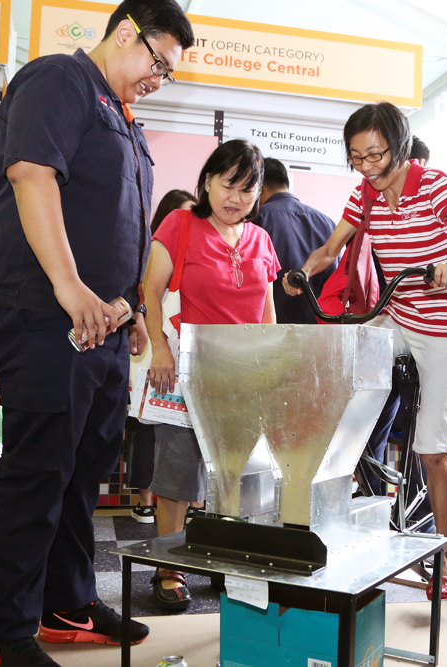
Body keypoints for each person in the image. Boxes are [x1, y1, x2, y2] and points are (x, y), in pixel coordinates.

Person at [0, 1, 193, 665]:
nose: (158, 79)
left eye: (168, 74)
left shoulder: (124, 120)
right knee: (38, 471)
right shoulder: (57, 80)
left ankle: (65, 602)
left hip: (102, 326)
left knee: (81, 472)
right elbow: (31, 173)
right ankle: (2, 635)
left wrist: (131, 310)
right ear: (126, 32)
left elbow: (119, 226)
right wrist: (69, 287)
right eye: (159, 63)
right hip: (41, 312)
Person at [285, 102, 447, 601]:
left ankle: (444, 551)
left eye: (375, 154)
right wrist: (304, 271)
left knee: (432, 450)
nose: (366, 166)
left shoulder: (434, 184)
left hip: (440, 325)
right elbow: (331, 248)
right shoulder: (365, 195)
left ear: (398, 146)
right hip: (395, 314)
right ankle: (344, 492)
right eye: (356, 157)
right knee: (343, 366)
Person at [143, 139, 279, 611]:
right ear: (206, 182)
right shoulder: (181, 224)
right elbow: (150, 290)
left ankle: (226, 557)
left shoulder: (260, 239)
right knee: (177, 474)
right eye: (227, 184)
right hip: (188, 371)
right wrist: (160, 348)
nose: (235, 198)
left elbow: (267, 311)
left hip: (244, 376)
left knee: (236, 476)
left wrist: (273, 365)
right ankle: (168, 567)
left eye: (247, 189)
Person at [127, 189, 196, 524]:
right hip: (154, 347)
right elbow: (143, 292)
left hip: (183, 348)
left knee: (180, 431)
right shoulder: (149, 250)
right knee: (147, 425)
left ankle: (191, 503)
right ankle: (145, 499)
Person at [253, 157, 337, 324]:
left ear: (260, 188)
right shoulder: (327, 222)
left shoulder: (256, 220)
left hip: (272, 328)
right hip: (321, 326)